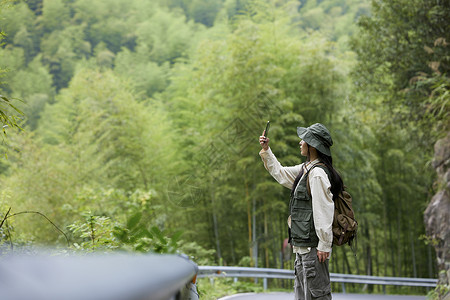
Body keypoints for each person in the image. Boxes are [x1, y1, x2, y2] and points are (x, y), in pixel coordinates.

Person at [259, 123, 343, 300]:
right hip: (302, 248)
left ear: (312, 145)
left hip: (314, 249)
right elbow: (281, 173)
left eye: (303, 139)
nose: (300, 142)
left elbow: (323, 210)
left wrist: (324, 245)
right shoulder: (306, 169)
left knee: (316, 296)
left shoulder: (317, 174)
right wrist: (266, 150)